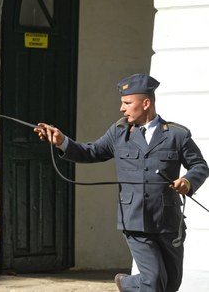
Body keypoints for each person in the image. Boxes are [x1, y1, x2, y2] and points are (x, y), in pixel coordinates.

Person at [34, 74, 209, 292]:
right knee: (154, 280)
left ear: (145, 103)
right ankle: (135, 284)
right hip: (135, 219)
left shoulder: (176, 135)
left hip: (168, 221)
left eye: (127, 103)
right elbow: (91, 152)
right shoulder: (119, 133)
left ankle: (127, 284)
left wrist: (187, 181)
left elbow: (200, 166)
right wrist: (62, 142)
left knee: (170, 283)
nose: (121, 108)